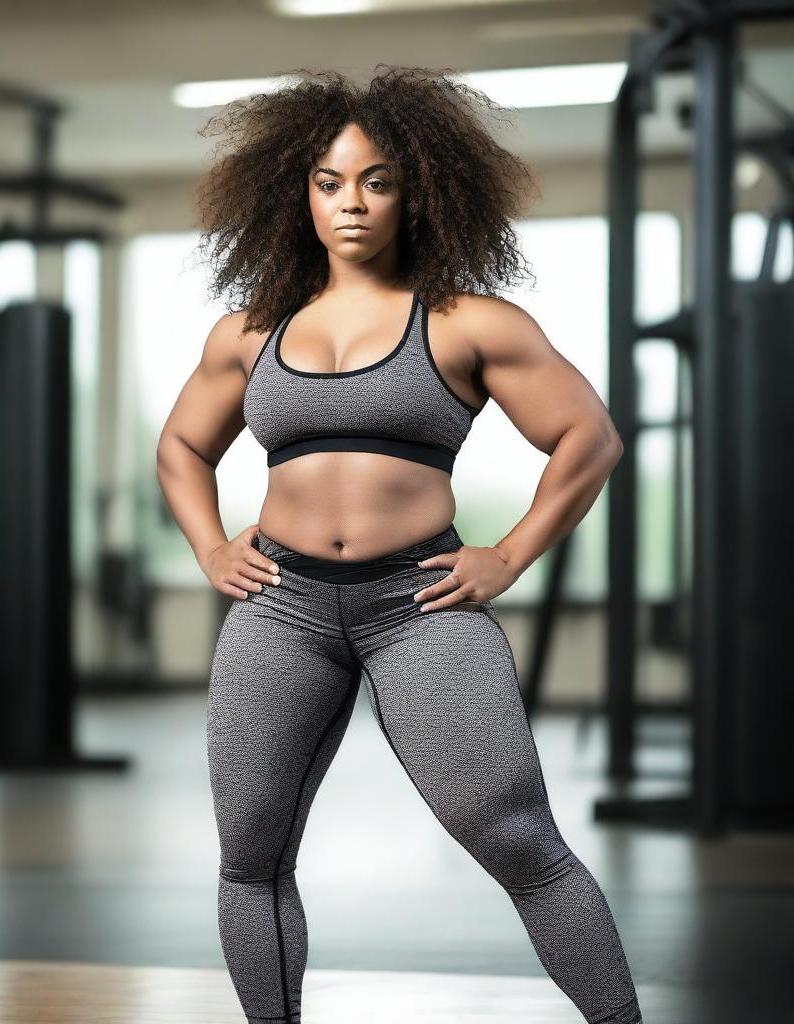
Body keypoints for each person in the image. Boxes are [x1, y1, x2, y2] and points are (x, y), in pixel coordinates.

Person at [156, 65, 643, 1024]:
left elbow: (589, 436)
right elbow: (180, 445)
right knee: (250, 857)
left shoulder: (468, 319)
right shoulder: (249, 333)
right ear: (295, 192)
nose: (351, 203)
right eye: (329, 182)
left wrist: (508, 554)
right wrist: (212, 548)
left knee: (516, 839)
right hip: (281, 607)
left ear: (418, 186)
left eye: (377, 180)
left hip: (418, 609)